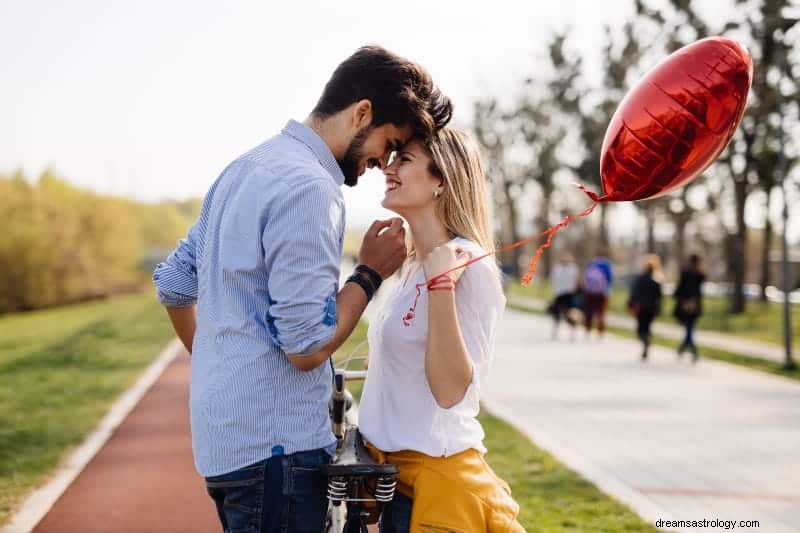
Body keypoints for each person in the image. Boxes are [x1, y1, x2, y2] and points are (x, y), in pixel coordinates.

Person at [152, 45, 452, 533]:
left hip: (224, 445)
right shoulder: (310, 188)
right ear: (361, 114)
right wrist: (369, 273)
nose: (384, 162)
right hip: (277, 454)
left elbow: (174, 284)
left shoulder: (245, 167)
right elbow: (306, 344)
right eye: (389, 143)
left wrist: (218, 365)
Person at [359, 129, 524, 532]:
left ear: (441, 181)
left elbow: (451, 392)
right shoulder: (413, 264)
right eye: (391, 158)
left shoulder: (471, 269)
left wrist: (442, 286)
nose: (388, 167)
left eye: (404, 160)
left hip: (438, 489)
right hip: (395, 483)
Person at [628, 254, 663, 361]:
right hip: (651, 308)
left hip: (641, 307)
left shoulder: (640, 279)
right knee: (647, 328)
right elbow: (659, 297)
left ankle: (645, 341)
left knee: (640, 329)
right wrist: (658, 309)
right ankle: (646, 341)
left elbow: (635, 293)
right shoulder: (656, 280)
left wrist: (631, 303)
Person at [673, 253, 705, 362]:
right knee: (689, 328)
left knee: (688, 329)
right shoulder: (699, 274)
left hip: (687, 304)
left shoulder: (687, 273)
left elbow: (680, 289)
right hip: (694, 305)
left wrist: (683, 301)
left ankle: (687, 349)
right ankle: (686, 349)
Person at [582, 251, 614, 338]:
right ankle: (600, 332)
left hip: (590, 293)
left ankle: (587, 330)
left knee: (589, 312)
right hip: (602, 293)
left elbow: (585, 278)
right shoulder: (607, 265)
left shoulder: (592, 263)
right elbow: (610, 279)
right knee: (601, 313)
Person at [548, 252, 579, 340]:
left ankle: (570, 332)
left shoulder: (570, 268)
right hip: (562, 293)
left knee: (569, 314)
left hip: (566, 293)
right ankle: (558, 331)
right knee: (559, 313)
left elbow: (552, 280)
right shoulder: (567, 268)